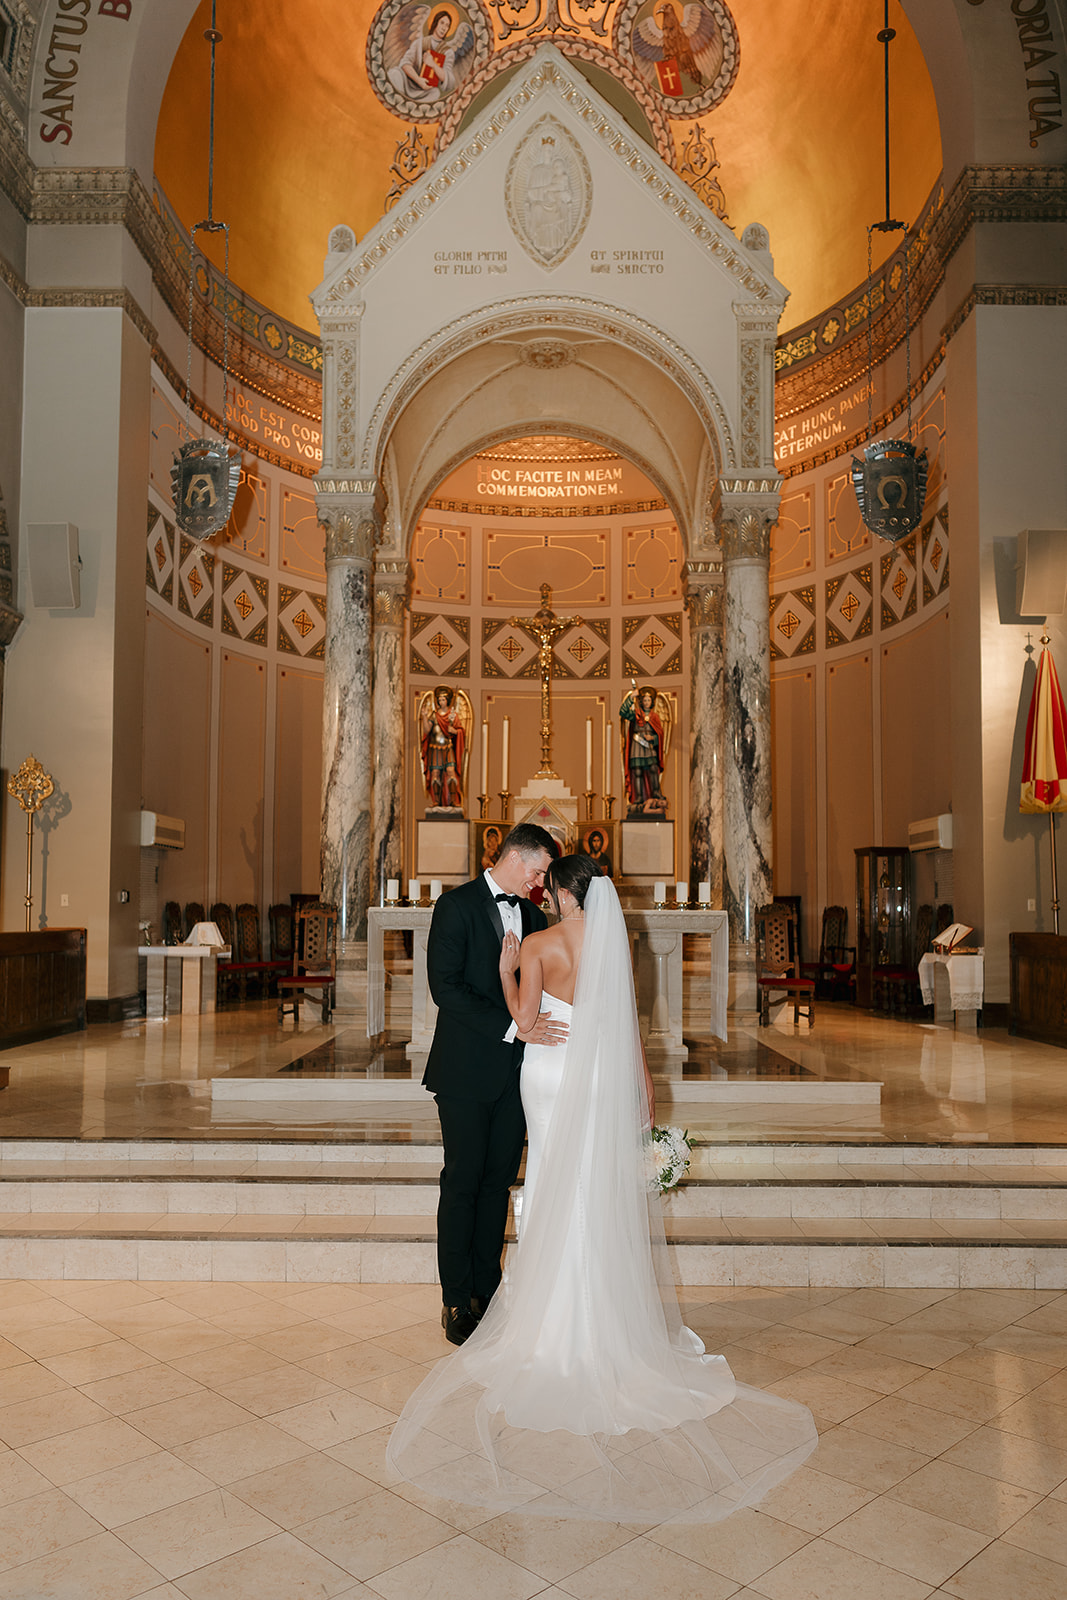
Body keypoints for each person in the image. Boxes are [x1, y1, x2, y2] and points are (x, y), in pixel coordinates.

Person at [388, 853, 818, 1524]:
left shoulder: (536, 942)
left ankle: (552, 1324)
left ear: (558, 893)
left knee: (551, 1178)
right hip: (598, 1080)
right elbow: (628, 1029)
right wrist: (643, 1091)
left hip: (548, 1078)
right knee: (589, 1189)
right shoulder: (618, 944)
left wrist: (506, 973)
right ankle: (603, 1323)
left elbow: (525, 1020)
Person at [423, 822, 564, 1348]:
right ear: (517, 858)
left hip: (517, 1076)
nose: (540, 881)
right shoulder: (454, 907)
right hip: (463, 1071)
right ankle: (457, 1298)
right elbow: (447, 989)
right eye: (539, 870)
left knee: (497, 1183)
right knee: (462, 1182)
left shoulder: (530, 915)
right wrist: (513, 1028)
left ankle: (488, 1288)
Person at [620, 683, 666, 810]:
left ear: (652, 702)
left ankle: (656, 793)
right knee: (637, 771)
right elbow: (622, 712)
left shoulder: (655, 716)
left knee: (652, 768)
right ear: (641, 701)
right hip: (637, 746)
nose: (646, 702)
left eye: (648, 700)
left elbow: (660, 734)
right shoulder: (636, 714)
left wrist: (653, 738)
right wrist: (631, 698)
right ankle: (639, 797)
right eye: (644, 700)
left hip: (649, 747)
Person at [419, 685, 464, 810]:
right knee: (435, 773)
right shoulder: (434, 715)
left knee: (450, 772)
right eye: (439, 700)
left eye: (443, 699)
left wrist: (454, 731)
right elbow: (427, 730)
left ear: (448, 700)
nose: (441, 702)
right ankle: (436, 801)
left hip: (448, 747)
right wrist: (424, 716)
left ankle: (453, 800)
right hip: (435, 748)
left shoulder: (453, 715)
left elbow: (460, 731)